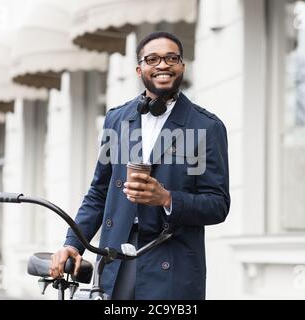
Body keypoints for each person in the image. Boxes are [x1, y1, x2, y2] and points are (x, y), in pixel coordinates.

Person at [49, 31, 230, 300]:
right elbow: (99, 193)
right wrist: (73, 244)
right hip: (116, 257)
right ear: (139, 68)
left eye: (172, 58)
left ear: (182, 66)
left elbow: (218, 204)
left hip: (171, 259)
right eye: (152, 59)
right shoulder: (116, 120)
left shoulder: (206, 127)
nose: (163, 65)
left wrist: (167, 199)